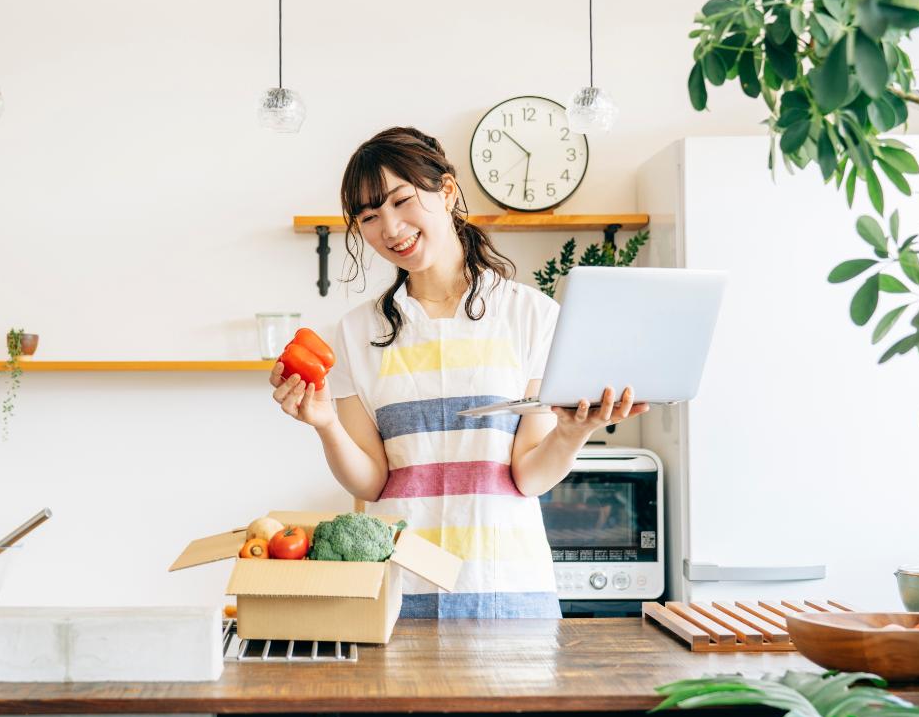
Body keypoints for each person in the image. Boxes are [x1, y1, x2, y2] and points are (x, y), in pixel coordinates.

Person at [269, 126, 648, 619]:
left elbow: (528, 476)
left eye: (402, 201)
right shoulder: (358, 331)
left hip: (508, 587)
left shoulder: (529, 315)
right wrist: (326, 426)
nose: (390, 228)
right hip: (399, 594)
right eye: (370, 216)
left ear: (446, 191)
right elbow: (371, 483)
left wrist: (572, 434)